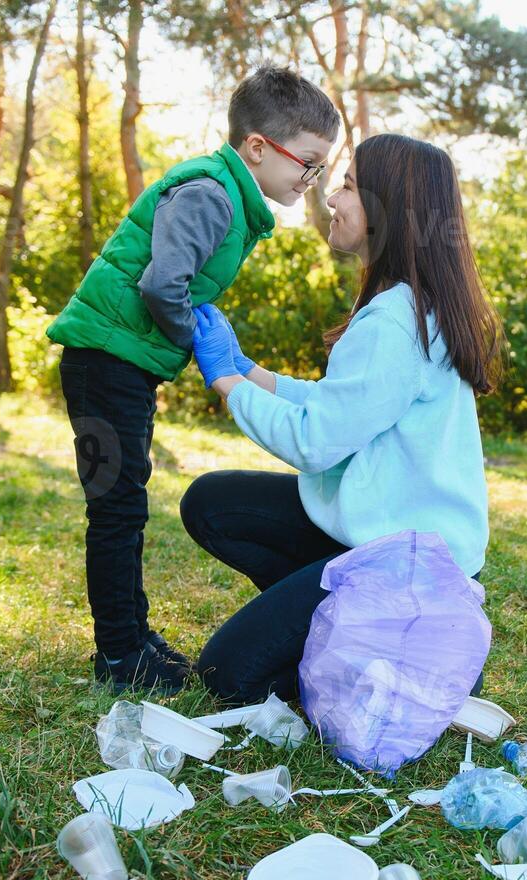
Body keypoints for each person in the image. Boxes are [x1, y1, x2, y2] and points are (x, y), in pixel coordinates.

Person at [181, 132, 506, 706]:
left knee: (225, 678)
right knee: (213, 505)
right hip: (383, 544)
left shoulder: (395, 322)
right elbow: (344, 406)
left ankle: (397, 661)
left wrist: (225, 381)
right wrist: (251, 371)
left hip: (407, 573)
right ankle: (344, 628)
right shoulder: (409, 304)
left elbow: (315, 441)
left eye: (350, 187)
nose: (331, 197)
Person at [47, 67, 340, 692]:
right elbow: (160, 284)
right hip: (104, 364)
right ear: (258, 147)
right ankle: (120, 655)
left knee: (126, 503)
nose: (311, 180)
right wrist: (196, 344)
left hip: (123, 364)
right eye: (308, 163)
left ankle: (133, 635)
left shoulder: (230, 199)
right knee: (116, 508)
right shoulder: (212, 194)